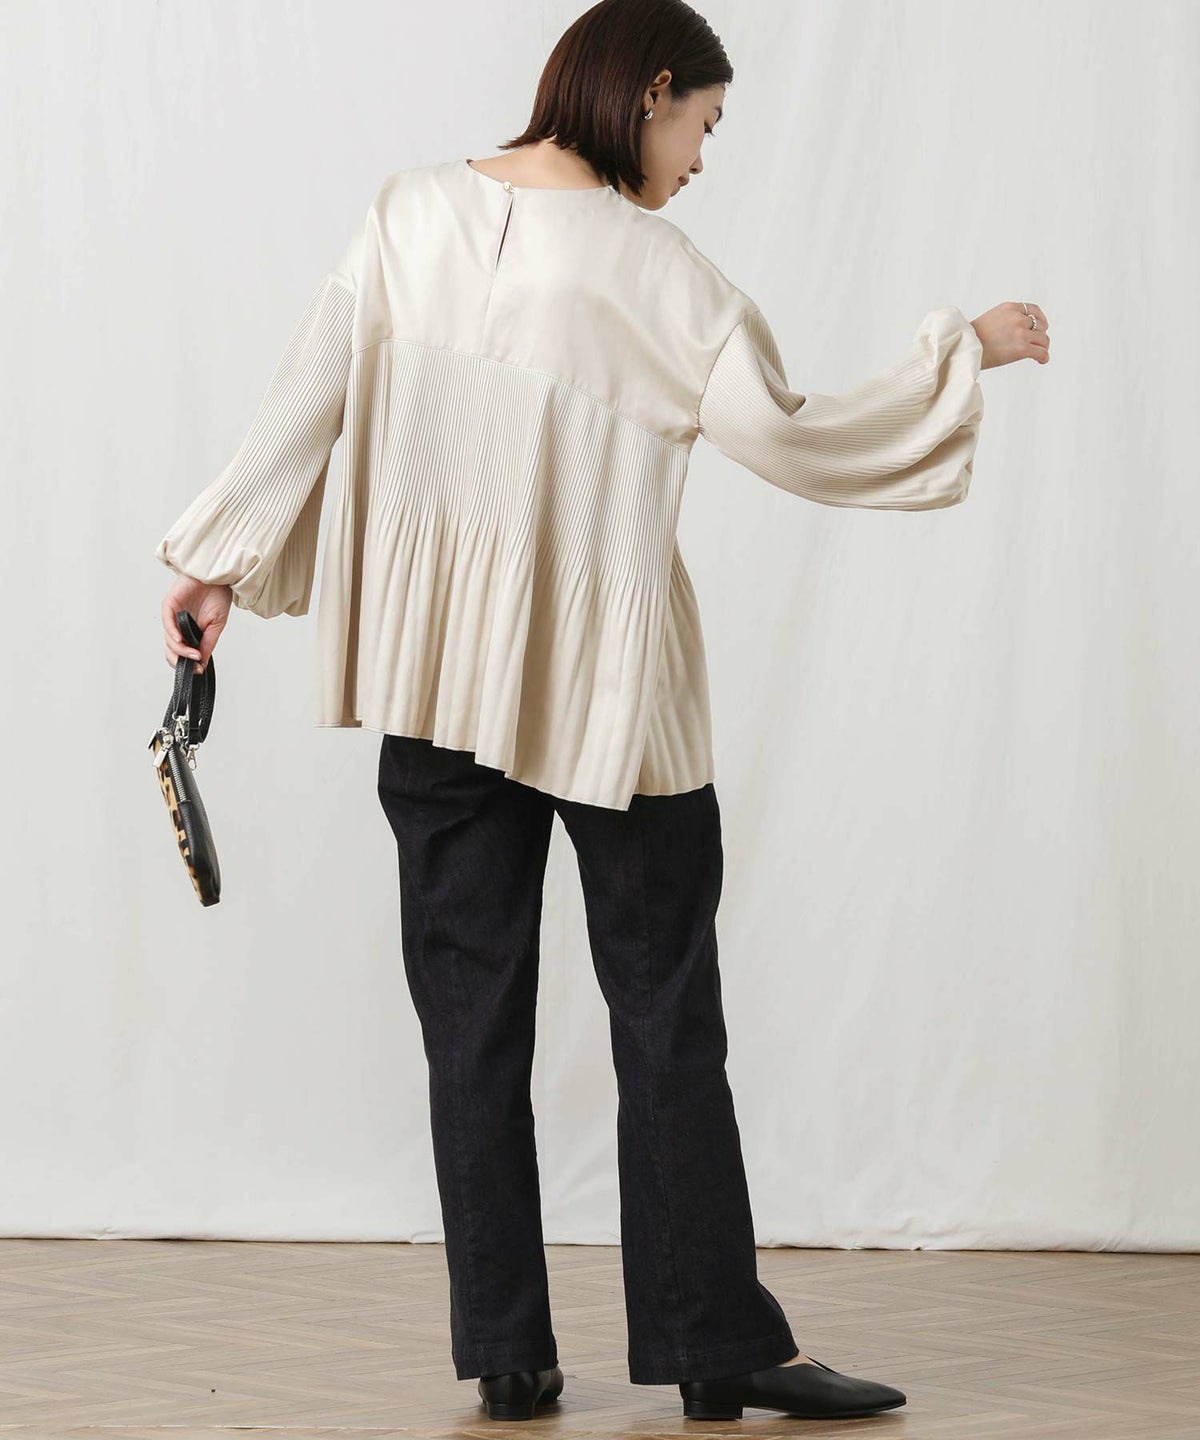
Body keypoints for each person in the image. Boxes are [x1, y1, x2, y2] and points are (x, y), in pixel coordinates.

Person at [155, 0, 1048, 1422]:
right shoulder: (664, 278)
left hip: (438, 682)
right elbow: (798, 438)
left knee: (470, 1021)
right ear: (650, 92)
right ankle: (715, 1346)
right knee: (666, 1014)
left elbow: (305, 399)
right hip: (614, 703)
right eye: (704, 126)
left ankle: (507, 1353)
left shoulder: (406, 215)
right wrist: (962, 353)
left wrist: (216, 562)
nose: (701, 160)